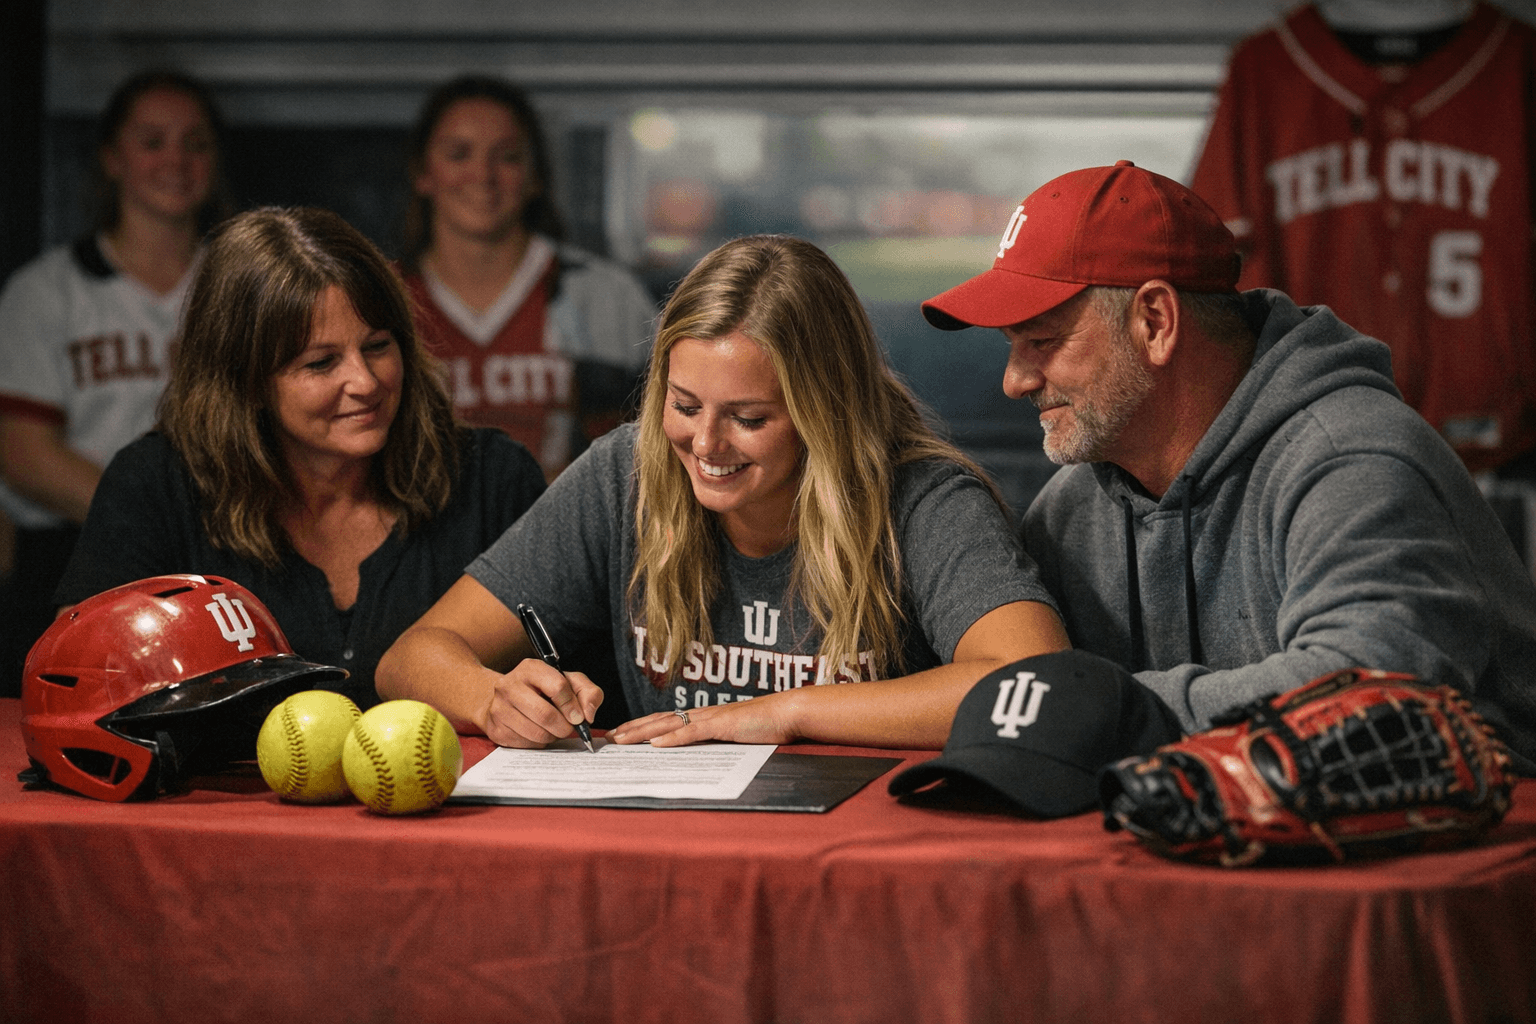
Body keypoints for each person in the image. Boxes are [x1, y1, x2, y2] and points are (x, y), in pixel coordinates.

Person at [921, 160, 1536, 773]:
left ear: (1156, 322)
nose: (1014, 381)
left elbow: (1373, 694)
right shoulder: (1070, 508)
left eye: (1043, 342)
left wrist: (1110, 711)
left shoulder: (1352, 458)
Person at [376, 234, 1069, 749]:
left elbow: (1032, 680)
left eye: (748, 419)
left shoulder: (923, 498)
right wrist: (492, 696)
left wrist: (783, 712)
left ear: (825, 413)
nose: (705, 446)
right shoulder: (628, 474)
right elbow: (411, 657)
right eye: (683, 406)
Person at [54, 207, 547, 709]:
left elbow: (572, 676)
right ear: (246, 380)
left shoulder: (493, 478)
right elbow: (76, 686)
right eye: (321, 362)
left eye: (377, 346)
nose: (366, 382)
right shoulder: (156, 483)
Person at [0, 69, 230, 696]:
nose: (175, 160)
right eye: (152, 141)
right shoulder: (46, 291)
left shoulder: (241, 286)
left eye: (195, 142)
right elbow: (25, 455)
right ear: (111, 157)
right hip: (69, 558)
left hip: (223, 556)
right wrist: (148, 521)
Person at [401, 75, 655, 480]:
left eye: (507, 156)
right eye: (459, 154)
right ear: (422, 172)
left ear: (536, 176)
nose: (482, 174)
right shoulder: (384, 300)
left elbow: (657, 452)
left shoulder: (607, 298)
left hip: (574, 541)